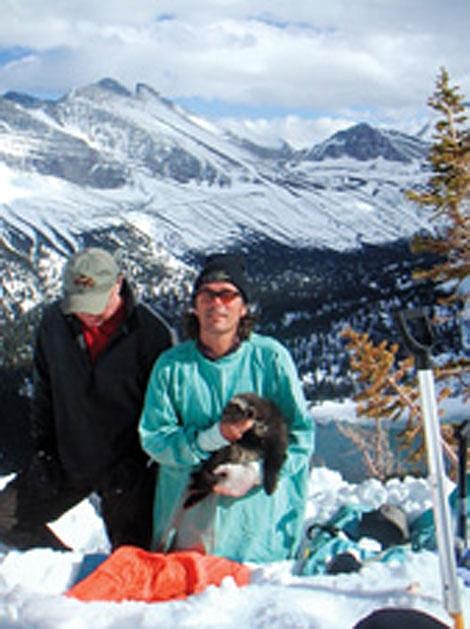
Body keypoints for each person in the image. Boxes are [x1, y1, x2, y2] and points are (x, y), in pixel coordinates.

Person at [139, 253, 314, 563]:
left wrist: (256, 473)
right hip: (189, 529)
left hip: (258, 533)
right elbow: (154, 438)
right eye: (206, 294)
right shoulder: (172, 367)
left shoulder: (270, 359)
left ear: (243, 307)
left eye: (227, 294)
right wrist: (211, 438)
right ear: (194, 305)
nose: (216, 303)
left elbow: (301, 435)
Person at [0, 247, 175, 551]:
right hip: (70, 459)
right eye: (78, 305)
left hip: (127, 470)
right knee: (6, 516)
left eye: (95, 304)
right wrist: (45, 451)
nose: (86, 314)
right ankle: (64, 570)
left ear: (118, 284)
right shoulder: (54, 324)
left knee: (132, 555)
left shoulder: (152, 335)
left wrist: (141, 464)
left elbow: (168, 413)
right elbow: (45, 394)